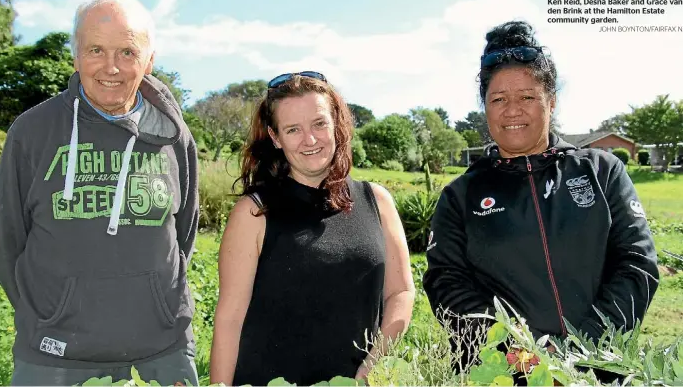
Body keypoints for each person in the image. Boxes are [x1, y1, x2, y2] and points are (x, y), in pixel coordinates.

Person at [422, 20, 659, 369]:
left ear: (551, 102)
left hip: (599, 370)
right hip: (503, 373)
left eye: (527, 97)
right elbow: (447, 284)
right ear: (484, 106)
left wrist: (580, 350)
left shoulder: (602, 171)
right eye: (498, 99)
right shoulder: (461, 196)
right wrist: (514, 352)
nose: (512, 110)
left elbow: (637, 264)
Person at [0, 0, 200, 386]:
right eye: (95, 50)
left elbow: (184, 232)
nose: (111, 67)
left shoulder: (175, 137)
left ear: (149, 61)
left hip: (163, 352)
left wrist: (152, 300)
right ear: (75, 57)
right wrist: (53, 314)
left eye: (127, 51)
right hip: (52, 355)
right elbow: (7, 244)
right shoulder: (32, 132)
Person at [209, 71, 416, 386]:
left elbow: (400, 292)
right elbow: (229, 320)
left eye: (319, 123)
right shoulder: (253, 212)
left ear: (336, 123)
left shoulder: (377, 201)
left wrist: (375, 363)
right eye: (293, 129)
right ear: (275, 137)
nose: (310, 139)